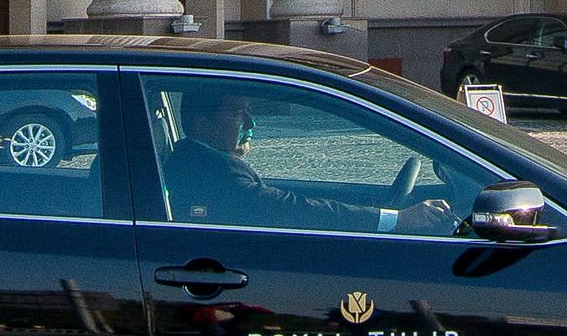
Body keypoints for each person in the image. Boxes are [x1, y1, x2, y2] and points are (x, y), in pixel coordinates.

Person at [159, 90, 421, 232]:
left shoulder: (196, 160)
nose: (251, 123)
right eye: (238, 113)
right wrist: (394, 220)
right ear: (199, 120)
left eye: (249, 113)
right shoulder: (213, 171)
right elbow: (289, 208)